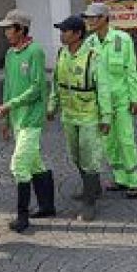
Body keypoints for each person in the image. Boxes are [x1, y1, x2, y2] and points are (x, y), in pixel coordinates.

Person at [0, 10, 53, 232]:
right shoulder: (10, 54)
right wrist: (7, 120)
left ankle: (22, 216)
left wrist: (10, 105)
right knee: (35, 162)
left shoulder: (35, 51)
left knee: (19, 165)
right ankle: (48, 206)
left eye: (9, 28)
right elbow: (7, 87)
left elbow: (37, 88)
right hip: (17, 119)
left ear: (21, 29)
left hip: (32, 118)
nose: (6, 33)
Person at [48, 16, 111, 221]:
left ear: (77, 34)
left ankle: (89, 202)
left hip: (89, 115)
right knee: (76, 155)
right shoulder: (62, 54)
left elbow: (103, 88)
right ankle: (92, 188)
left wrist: (106, 117)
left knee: (89, 157)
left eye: (65, 31)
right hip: (69, 115)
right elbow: (56, 83)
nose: (61, 34)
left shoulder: (93, 56)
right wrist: (52, 106)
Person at [82, 3, 137, 198]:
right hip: (101, 103)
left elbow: (131, 70)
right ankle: (120, 178)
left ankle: (136, 181)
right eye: (88, 18)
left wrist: (136, 97)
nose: (90, 21)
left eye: (93, 17)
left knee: (126, 140)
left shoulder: (122, 39)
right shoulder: (89, 43)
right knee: (108, 142)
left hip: (121, 99)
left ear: (104, 18)